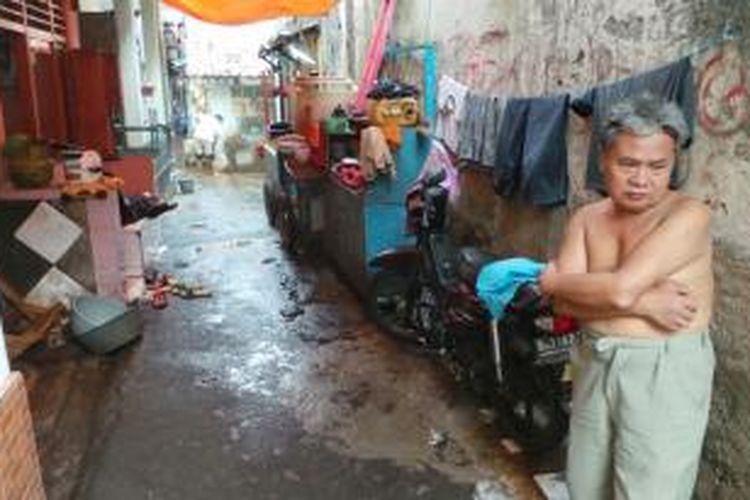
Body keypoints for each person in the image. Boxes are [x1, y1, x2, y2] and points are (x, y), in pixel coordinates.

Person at [539, 93, 714, 500]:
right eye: (628, 164)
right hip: (595, 356)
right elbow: (566, 305)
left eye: (658, 167)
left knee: (650, 489)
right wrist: (644, 302)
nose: (641, 179)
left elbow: (617, 290)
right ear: (603, 160)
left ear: (673, 165)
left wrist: (553, 281)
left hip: (663, 370)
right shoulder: (586, 218)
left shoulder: (688, 215)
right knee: (586, 485)